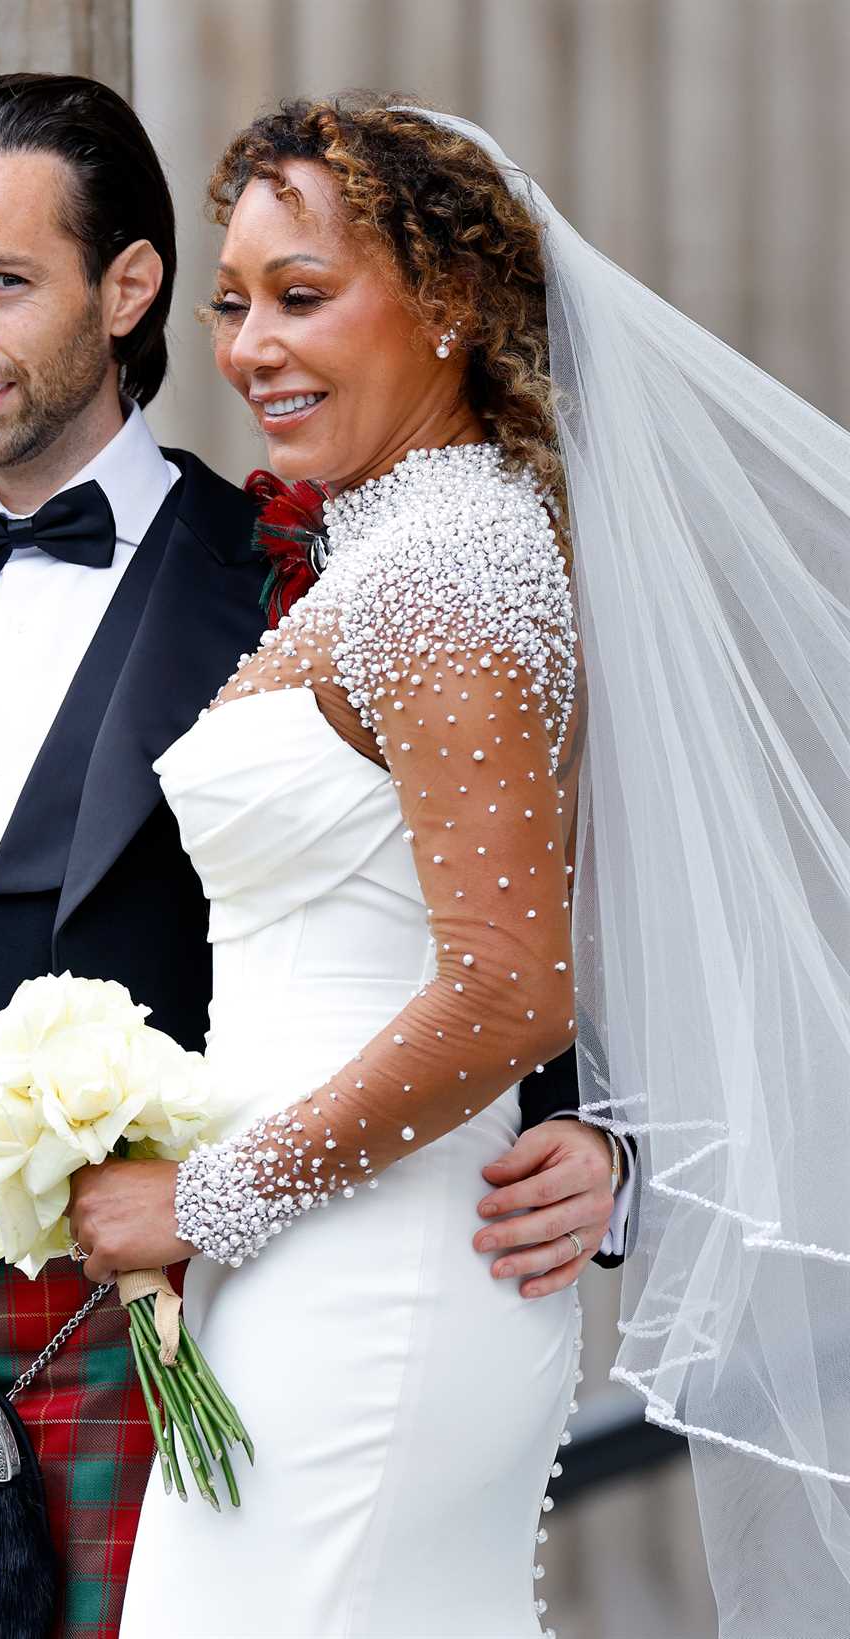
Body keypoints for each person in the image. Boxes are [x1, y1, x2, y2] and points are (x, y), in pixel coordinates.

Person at [0, 74, 626, 1639]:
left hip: (147, 1315)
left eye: (3, 283)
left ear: (128, 286)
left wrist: (592, 1136)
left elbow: (485, 887)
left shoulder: (301, 570)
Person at [68, 97, 850, 1639]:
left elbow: (505, 989)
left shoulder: (443, 571)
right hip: (305, 1260)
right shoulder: (412, 549)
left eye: (304, 295)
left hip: (369, 1275)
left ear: (449, 303)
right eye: (233, 304)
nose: (250, 347)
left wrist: (207, 1202)